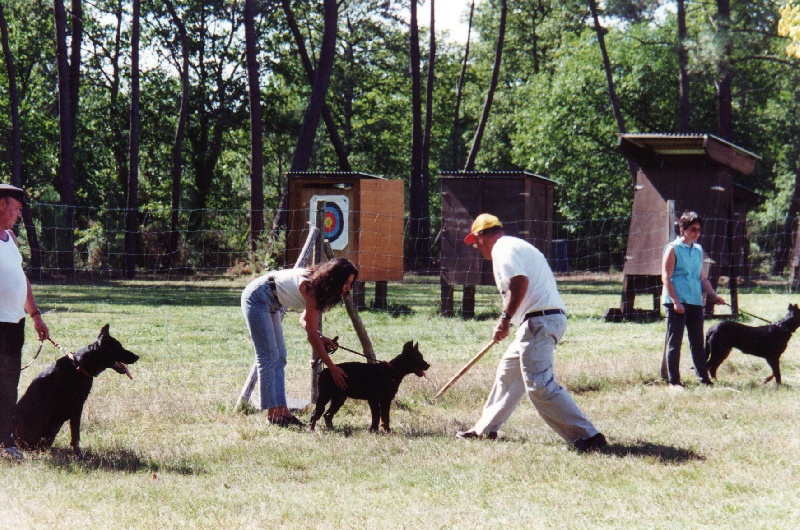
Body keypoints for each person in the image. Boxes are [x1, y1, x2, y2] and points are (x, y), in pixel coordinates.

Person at [455, 213, 606, 452]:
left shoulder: (502, 249)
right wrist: (512, 319)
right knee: (508, 372)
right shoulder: (516, 245)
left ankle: (588, 436)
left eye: (475, 243)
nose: (476, 248)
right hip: (540, 320)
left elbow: (519, 282)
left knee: (540, 385)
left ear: (482, 236)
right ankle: (484, 430)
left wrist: (504, 319)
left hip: (539, 321)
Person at [241, 257, 358, 427]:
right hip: (257, 297)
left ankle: (284, 413)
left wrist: (320, 336)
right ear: (335, 279)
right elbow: (310, 335)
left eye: (350, 283)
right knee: (268, 357)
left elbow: (304, 322)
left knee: (280, 357)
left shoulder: (321, 288)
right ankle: (272, 415)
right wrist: (332, 368)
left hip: (273, 302)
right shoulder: (312, 287)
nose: (347, 288)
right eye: (346, 282)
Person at [0, 184, 49, 460]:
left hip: (13, 324)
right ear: (1, 205)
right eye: (17, 208)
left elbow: (21, 280)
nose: (19, 214)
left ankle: (6, 443)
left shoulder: (11, 239)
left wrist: (35, 315)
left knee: (8, 385)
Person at [662, 211, 725, 388]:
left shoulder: (698, 250)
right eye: (692, 229)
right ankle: (674, 381)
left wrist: (713, 295)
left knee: (698, 342)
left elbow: (702, 278)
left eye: (699, 229)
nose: (696, 233)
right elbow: (666, 277)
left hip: (695, 301)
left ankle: (704, 379)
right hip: (677, 302)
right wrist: (675, 302)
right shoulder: (673, 248)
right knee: (675, 341)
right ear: (682, 229)